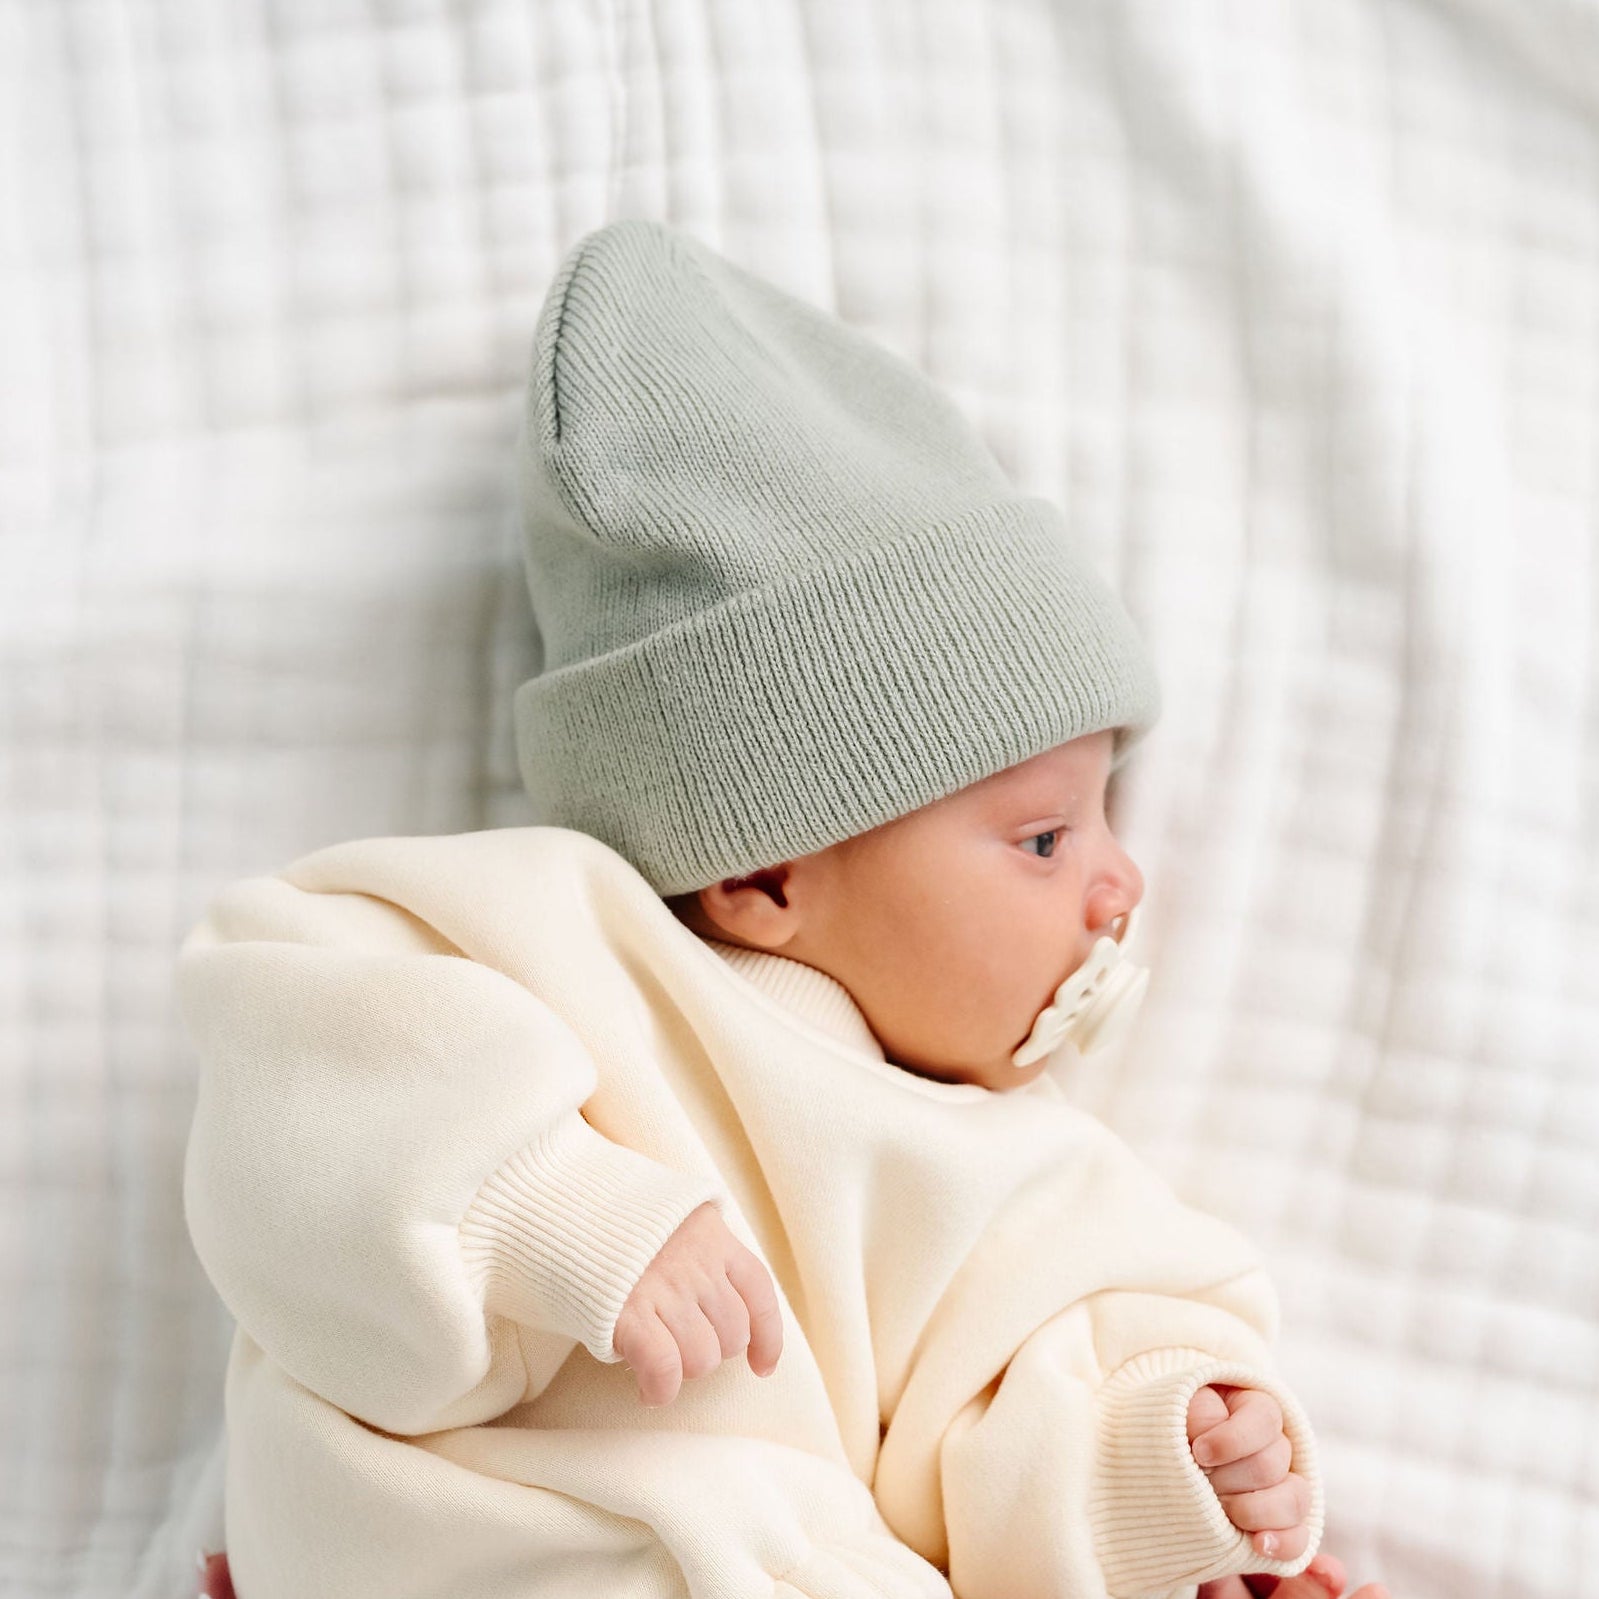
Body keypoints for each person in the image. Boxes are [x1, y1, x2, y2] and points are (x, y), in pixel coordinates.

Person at [177, 219, 1389, 1599]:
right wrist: (542, 1200)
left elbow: (1015, 1424)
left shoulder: (1016, 1168)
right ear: (760, 877)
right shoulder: (568, 942)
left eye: (1107, 814)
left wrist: (1170, 1465)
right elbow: (297, 1041)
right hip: (480, 1531)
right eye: (1045, 837)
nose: (1122, 882)